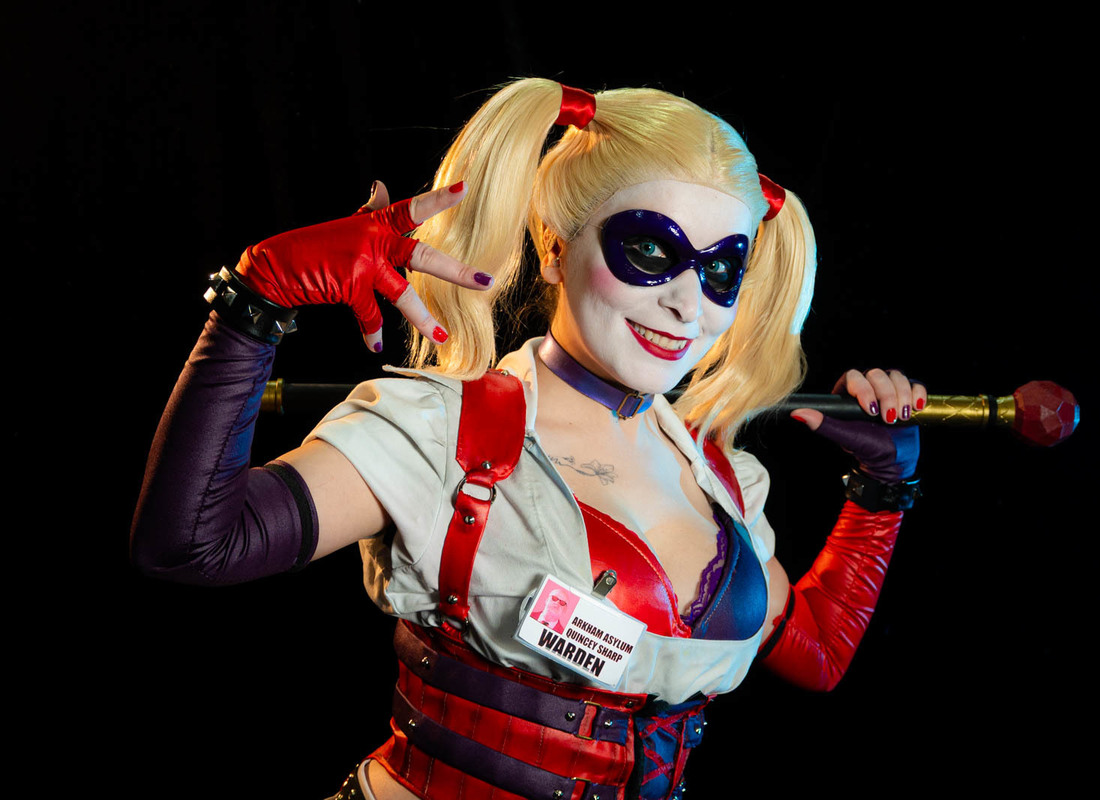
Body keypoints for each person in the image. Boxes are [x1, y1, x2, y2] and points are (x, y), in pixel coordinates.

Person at [132, 78, 924, 800]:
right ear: (555, 247)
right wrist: (256, 299)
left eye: (721, 270)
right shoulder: (443, 433)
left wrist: (881, 493)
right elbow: (190, 545)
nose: (688, 306)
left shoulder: (721, 480)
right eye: (651, 251)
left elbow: (818, 655)